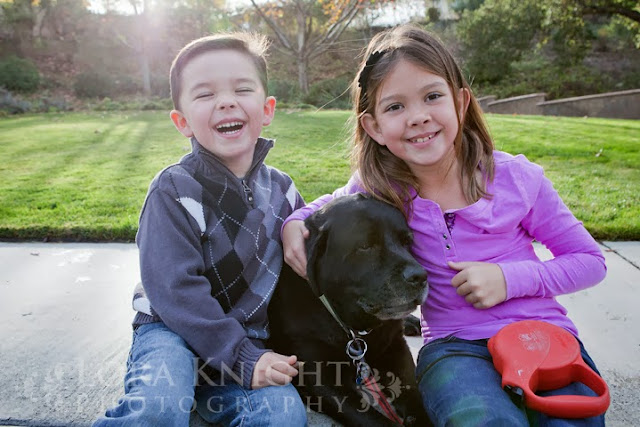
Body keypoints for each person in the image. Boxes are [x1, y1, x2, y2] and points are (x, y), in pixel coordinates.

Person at [282, 24, 607, 426]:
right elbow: (328, 206)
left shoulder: (518, 180)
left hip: (541, 334)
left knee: (571, 420)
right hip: (455, 349)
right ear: (374, 127)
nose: (418, 117)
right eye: (395, 107)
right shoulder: (383, 186)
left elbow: (590, 261)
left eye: (432, 97)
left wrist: (510, 279)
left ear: (461, 103)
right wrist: (294, 222)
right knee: (480, 421)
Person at [94, 32, 308, 426]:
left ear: (267, 110)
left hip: (246, 338)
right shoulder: (173, 190)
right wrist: (241, 357)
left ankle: (209, 389)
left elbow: (309, 258)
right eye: (205, 94)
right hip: (171, 330)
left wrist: (300, 224)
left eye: (242, 89)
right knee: (159, 406)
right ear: (183, 122)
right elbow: (175, 291)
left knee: (282, 415)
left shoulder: (283, 190)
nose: (226, 101)